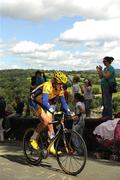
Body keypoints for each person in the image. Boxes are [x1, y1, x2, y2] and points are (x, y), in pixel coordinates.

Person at [29, 71, 71, 154]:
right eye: (60, 83)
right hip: (34, 102)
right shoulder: (47, 85)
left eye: (63, 84)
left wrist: (69, 112)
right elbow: (45, 102)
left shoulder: (60, 89)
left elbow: (64, 103)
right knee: (45, 121)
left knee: (50, 123)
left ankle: (51, 147)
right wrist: (53, 111)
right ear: (55, 82)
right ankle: (33, 139)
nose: (62, 86)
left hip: (42, 103)